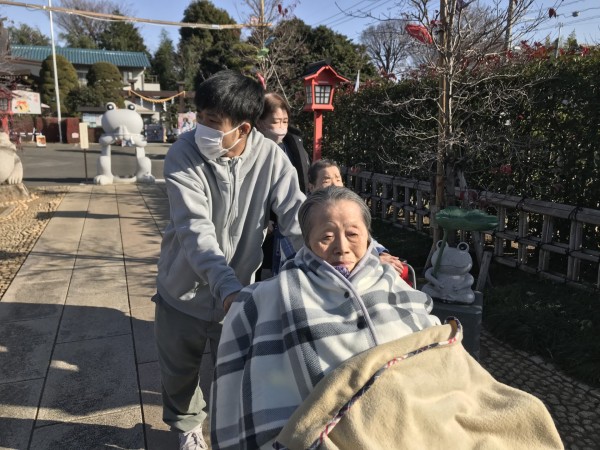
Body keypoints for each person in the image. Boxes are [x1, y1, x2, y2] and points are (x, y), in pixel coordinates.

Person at [210, 186, 441, 449]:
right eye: (326, 237)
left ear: (368, 237)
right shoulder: (269, 298)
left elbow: (435, 359)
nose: (342, 248)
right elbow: (238, 397)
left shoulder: (394, 286)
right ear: (308, 241)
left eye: (352, 234)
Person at [152, 70, 306, 450]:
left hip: (237, 295)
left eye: (211, 122)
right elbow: (194, 229)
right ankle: (187, 428)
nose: (201, 129)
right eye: (200, 117)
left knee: (236, 375)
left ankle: (230, 430)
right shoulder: (183, 154)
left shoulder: (271, 158)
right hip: (182, 290)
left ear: (243, 129)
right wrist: (226, 287)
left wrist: (351, 252)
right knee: (179, 373)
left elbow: (298, 217)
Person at [307, 158, 411, 283]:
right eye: (327, 181)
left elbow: (364, 237)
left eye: (338, 179)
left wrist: (381, 253)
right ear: (311, 187)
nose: (334, 184)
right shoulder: (303, 216)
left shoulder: (348, 208)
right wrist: (372, 261)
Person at [255, 92, 311, 279]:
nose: (281, 127)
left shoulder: (294, 142)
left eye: (284, 121)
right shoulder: (251, 150)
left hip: (292, 220)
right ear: (259, 122)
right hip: (264, 228)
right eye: (275, 121)